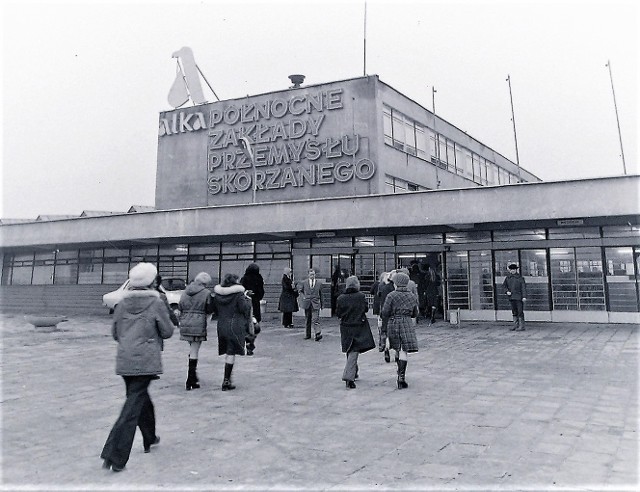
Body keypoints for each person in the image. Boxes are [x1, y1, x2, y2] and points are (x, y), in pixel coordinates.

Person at [100, 262, 174, 472]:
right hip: (146, 360)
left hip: (125, 360)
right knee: (132, 408)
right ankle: (114, 454)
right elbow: (167, 331)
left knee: (139, 399)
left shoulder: (121, 304)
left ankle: (149, 437)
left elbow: (115, 333)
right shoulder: (156, 302)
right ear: (152, 281)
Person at [212, 273, 253, 391]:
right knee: (231, 352)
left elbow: (214, 309)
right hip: (235, 325)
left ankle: (227, 379)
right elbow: (244, 308)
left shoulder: (218, 295)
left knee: (228, 351)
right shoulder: (238, 294)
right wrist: (247, 299)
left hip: (221, 325)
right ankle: (226, 379)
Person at [336, 276, 376, 389]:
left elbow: (338, 313)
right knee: (354, 350)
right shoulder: (361, 296)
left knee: (350, 349)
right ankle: (349, 377)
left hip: (345, 327)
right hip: (359, 326)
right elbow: (366, 309)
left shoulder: (340, 298)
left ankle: (354, 371)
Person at [381, 272, 419, 389]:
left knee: (396, 347)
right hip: (406, 322)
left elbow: (385, 312)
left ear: (396, 282)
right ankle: (401, 377)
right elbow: (415, 313)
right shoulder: (412, 296)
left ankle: (399, 371)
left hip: (393, 322)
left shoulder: (391, 295)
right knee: (404, 350)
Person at [178, 272, 213, 391]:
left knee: (192, 349)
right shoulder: (206, 293)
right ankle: (190, 379)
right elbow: (209, 309)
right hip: (198, 323)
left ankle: (193, 378)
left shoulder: (185, 291)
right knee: (194, 351)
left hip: (185, 322)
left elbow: (180, 306)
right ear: (205, 283)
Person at [241, 263, 265, 355]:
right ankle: (250, 344)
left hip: (245, 303)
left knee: (245, 325)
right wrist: (257, 297)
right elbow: (261, 291)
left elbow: (241, 290)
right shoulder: (259, 278)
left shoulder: (244, 278)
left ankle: (245, 343)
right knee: (254, 325)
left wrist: (246, 293)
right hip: (255, 304)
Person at [298, 268, 323, 341]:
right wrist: (303, 297)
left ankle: (317, 333)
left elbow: (321, 294)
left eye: (313, 274)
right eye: (311, 274)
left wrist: (322, 304)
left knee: (315, 319)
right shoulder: (304, 282)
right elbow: (300, 291)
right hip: (307, 303)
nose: (312, 276)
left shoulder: (319, 283)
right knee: (308, 319)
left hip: (316, 303)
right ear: (308, 275)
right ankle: (307, 334)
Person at [377, 271, 396, 363]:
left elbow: (381, 301)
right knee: (396, 333)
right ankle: (397, 353)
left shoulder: (382, 288)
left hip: (385, 313)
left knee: (386, 332)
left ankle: (386, 349)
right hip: (394, 313)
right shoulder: (395, 288)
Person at [503, 263, 527, 331]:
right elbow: (504, 286)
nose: (512, 271)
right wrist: (507, 291)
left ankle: (521, 326)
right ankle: (515, 325)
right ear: (510, 270)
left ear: (516, 270)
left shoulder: (520, 278)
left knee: (520, 311)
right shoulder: (508, 278)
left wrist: (524, 296)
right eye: (511, 270)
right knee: (514, 312)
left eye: (514, 269)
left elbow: (523, 288)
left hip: (519, 297)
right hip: (511, 297)